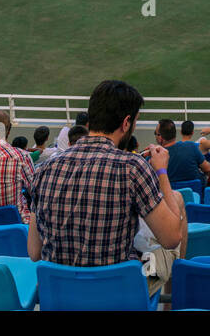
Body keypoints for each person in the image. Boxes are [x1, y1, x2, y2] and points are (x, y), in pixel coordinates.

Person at [27, 80, 187, 297]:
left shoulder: (43, 169)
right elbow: (172, 238)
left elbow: (34, 252)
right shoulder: (132, 167)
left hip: (63, 294)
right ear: (126, 122)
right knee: (172, 228)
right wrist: (161, 172)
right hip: (119, 292)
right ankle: (172, 302)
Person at [164, 120, 210, 186]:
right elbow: (207, 168)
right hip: (195, 190)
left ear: (180, 132)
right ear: (192, 132)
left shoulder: (169, 150)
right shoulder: (193, 146)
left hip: (175, 190)